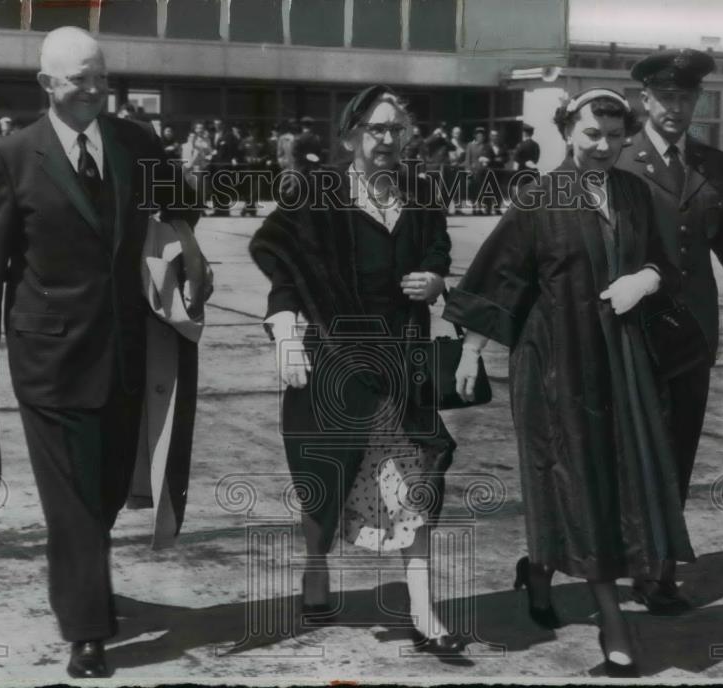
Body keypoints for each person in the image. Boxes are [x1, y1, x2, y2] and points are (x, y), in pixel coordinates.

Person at [0, 27, 197, 679]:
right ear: (47, 84)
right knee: (73, 501)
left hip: (125, 349)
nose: (93, 90)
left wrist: (177, 241)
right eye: (78, 79)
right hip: (48, 358)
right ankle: (88, 631)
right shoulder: (12, 155)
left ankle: (81, 578)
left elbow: (184, 206)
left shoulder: (136, 143)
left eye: (100, 77)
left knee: (110, 488)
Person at [444, 88, 696, 677]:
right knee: (575, 479)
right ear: (566, 132)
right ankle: (613, 623)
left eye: (614, 135)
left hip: (621, 362)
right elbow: (498, 277)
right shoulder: (540, 197)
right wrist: (471, 351)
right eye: (591, 134)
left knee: (613, 481)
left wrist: (647, 278)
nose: (604, 146)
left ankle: (538, 570)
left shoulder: (634, 192)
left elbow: (663, 259)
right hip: (555, 363)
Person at [249, 85, 462, 657]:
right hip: (336, 365)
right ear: (349, 137)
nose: (387, 139)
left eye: (396, 129)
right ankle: (316, 566)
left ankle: (423, 612)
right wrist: (286, 334)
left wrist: (435, 279)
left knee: (416, 483)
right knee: (326, 480)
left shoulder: (421, 193)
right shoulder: (317, 195)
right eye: (375, 128)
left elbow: (438, 249)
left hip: (402, 367)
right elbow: (284, 266)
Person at [617, 49, 723, 613]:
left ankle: (656, 568)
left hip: (693, 337)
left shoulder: (715, 166)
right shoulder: (618, 159)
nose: (675, 108)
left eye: (685, 98)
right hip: (630, 333)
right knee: (629, 451)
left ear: (697, 101)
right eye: (665, 97)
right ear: (645, 100)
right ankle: (614, 558)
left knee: (677, 450)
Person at [238, 125, 264, 217]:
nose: (253, 131)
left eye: (255, 130)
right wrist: (246, 158)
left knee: (256, 189)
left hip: (259, 169)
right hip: (247, 169)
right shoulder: (244, 141)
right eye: (252, 129)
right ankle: (251, 208)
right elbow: (239, 153)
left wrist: (261, 159)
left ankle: (247, 207)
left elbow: (268, 153)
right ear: (249, 131)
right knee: (247, 189)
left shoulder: (262, 141)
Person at [465, 127, 488, 215]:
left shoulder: (485, 146)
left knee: (481, 190)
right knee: (472, 190)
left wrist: (486, 161)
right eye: (478, 135)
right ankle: (474, 208)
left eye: (482, 135)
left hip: (482, 171)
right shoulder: (470, 145)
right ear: (475, 136)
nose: (480, 137)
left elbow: (487, 156)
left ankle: (480, 208)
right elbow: (467, 158)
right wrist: (468, 169)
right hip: (472, 171)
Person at [447, 125, 467, 215]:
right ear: (452, 134)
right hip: (451, 169)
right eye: (456, 133)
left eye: (459, 133)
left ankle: (458, 208)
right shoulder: (449, 143)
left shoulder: (463, 144)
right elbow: (450, 157)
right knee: (451, 189)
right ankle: (450, 208)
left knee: (460, 188)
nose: (457, 135)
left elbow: (466, 157)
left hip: (460, 169)